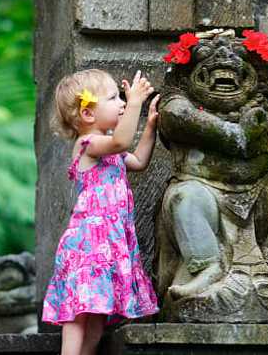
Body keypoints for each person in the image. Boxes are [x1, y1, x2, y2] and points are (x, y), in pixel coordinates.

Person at [42, 69, 160, 355]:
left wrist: (150, 125)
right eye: (113, 98)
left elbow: (140, 160)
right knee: (78, 313)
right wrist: (135, 103)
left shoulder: (111, 152)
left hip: (108, 245)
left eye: (122, 99)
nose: (121, 103)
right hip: (87, 245)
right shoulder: (89, 145)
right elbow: (120, 141)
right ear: (87, 114)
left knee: (96, 324)